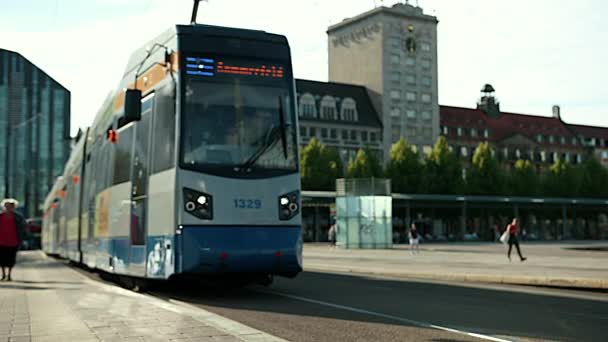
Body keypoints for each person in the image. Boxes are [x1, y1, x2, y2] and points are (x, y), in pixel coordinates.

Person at [0, 199, 27, 281]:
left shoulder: (18, 217)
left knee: (11, 259)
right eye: (7, 206)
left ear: (13, 207)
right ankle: (3, 274)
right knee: (1, 259)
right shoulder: (1, 216)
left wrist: (21, 238)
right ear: (4, 207)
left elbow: (23, 228)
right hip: (1, 241)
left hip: (13, 241)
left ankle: (9, 275)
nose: (8, 208)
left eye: (10, 206)